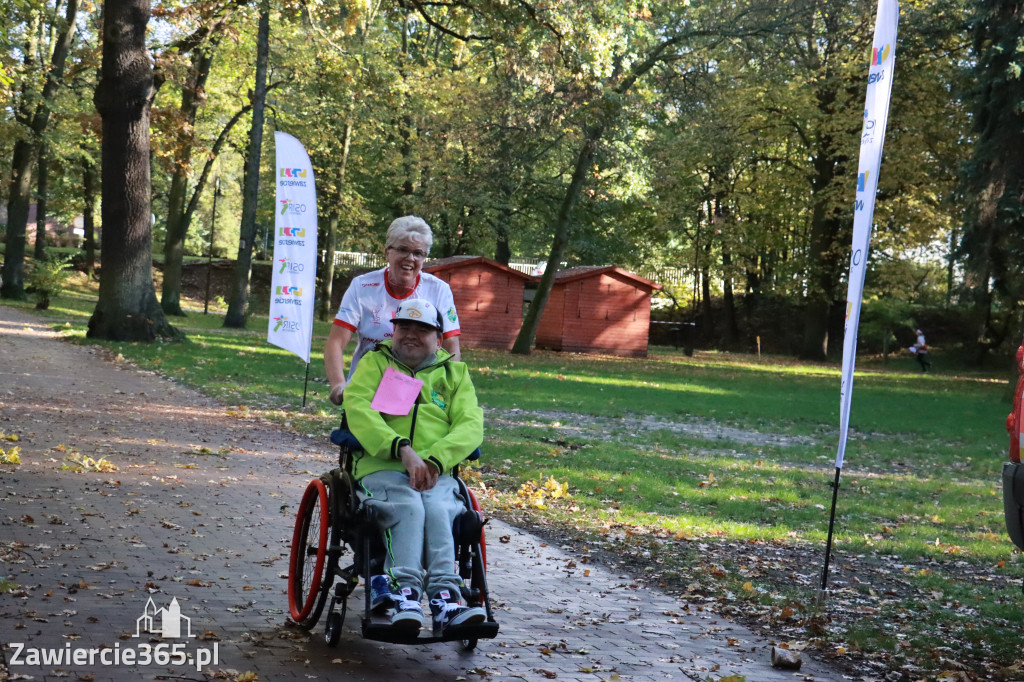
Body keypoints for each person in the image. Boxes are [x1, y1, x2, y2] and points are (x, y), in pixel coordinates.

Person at [343, 298, 486, 635]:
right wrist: (401, 449)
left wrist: (436, 459)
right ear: (393, 331)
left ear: (438, 338)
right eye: (404, 327)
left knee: (437, 510)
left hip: (437, 471)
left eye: (422, 330)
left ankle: (446, 600)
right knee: (408, 505)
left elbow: (470, 424)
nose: (410, 335)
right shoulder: (375, 364)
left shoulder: (455, 373)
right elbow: (358, 409)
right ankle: (404, 594)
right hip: (382, 466)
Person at [324, 216, 461, 406]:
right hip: (366, 389)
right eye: (403, 250)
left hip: (419, 395)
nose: (410, 259)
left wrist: (449, 394)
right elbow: (336, 341)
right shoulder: (362, 286)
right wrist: (339, 385)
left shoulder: (439, 290)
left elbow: (451, 346)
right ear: (387, 252)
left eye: (418, 253)